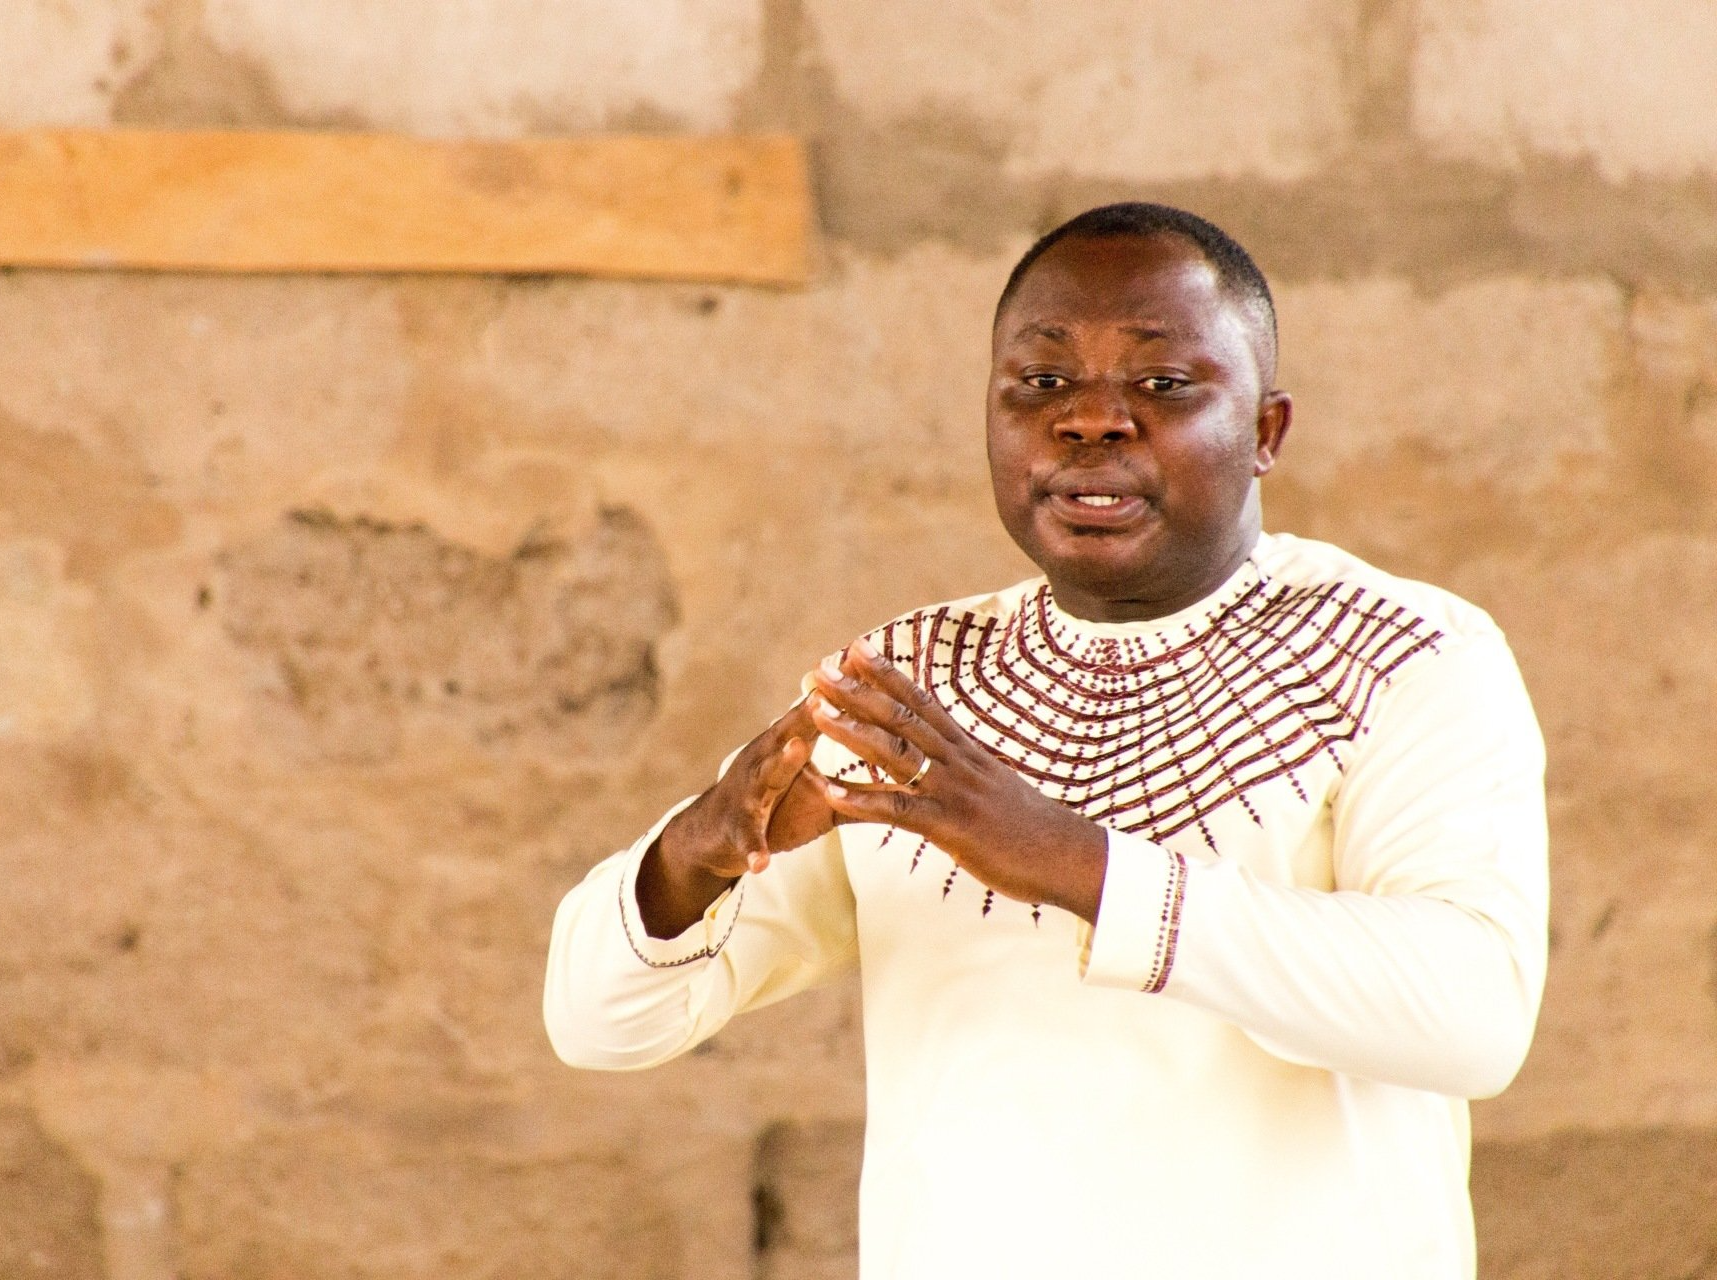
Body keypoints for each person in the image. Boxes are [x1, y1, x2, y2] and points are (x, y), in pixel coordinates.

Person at [543, 202, 1548, 1279]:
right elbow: (601, 1023)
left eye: (1162, 386)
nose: (1089, 422)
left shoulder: (1406, 652)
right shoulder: (909, 684)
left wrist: (1079, 864)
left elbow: (1471, 1013)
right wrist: (695, 855)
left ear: (1266, 431)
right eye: (1042, 383)